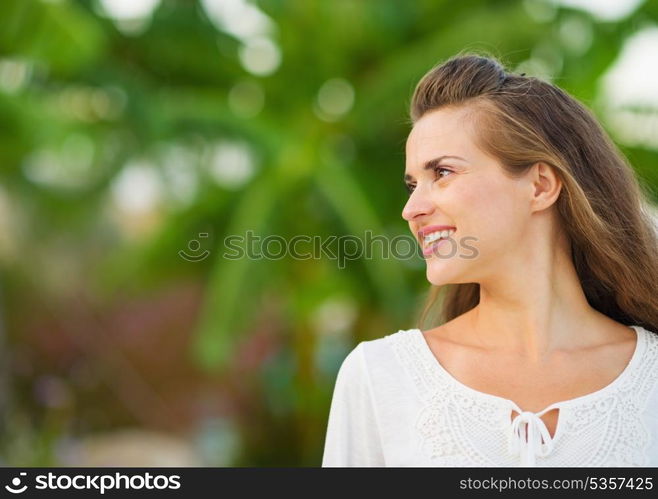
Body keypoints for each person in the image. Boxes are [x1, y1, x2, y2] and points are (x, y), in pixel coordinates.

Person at [321, 53, 658, 467]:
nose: (412, 209)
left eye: (442, 172)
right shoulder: (379, 378)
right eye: (413, 184)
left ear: (539, 186)